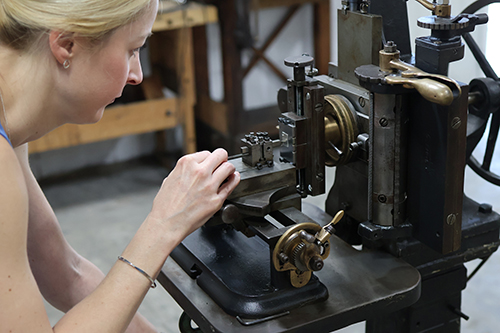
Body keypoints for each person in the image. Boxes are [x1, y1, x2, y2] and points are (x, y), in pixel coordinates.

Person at [0, 0, 240, 331]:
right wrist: (163, 225)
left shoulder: (10, 124)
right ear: (67, 44)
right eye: (132, 49)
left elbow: (66, 274)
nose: (137, 75)